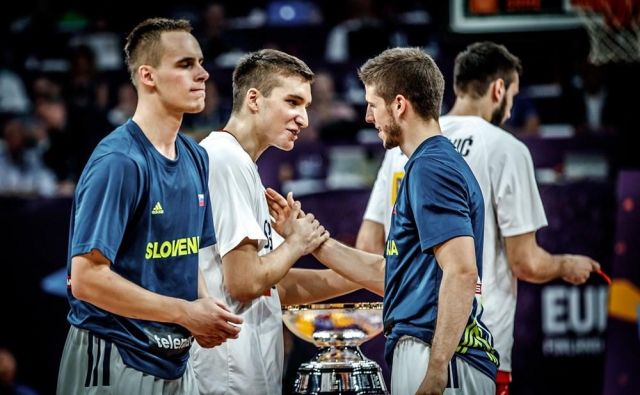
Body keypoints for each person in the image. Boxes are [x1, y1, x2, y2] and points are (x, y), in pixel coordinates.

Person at [355, 41, 601, 395]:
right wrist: (565, 264)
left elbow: (371, 245)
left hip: (444, 344)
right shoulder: (504, 148)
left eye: (371, 106)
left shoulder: (405, 154)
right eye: (512, 95)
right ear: (499, 89)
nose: (511, 104)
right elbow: (525, 261)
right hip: (468, 340)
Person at [267, 47, 498, 394]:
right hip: (432, 349)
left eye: (373, 105)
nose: (368, 117)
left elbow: (462, 272)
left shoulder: (431, 167)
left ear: (399, 105)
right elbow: (391, 275)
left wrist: (435, 372)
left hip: (440, 355)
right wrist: (312, 241)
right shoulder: (428, 164)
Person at [56, 18, 243, 395]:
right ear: (148, 76)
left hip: (173, 359)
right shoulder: (119, 160)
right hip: (112, 355)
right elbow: (86, 279)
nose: (203, 74)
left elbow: (186, 257)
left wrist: (204, 310)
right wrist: (185, 313)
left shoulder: (194, 155)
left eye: (201, 63)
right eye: (185, 64)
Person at [190, 49, 361, 395]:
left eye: (307, 107)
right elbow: (244, 283)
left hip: (245, 373)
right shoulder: (225, 161)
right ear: (254, 99)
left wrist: (361, 277)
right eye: (293, 102)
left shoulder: (240, 163)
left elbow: (272, 287)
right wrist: (297, 243)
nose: (304, 119)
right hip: (227, 377)